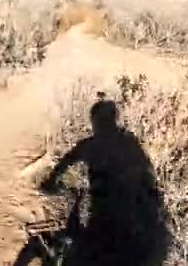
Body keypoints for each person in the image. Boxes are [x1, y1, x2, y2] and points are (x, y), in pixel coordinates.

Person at [39, 99, 171, 266]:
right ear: (114, 119)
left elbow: (64, 163)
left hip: (105, 221)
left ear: (94, 122)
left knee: (76, 252)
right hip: (140, 221)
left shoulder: (90, 145)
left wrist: (50, 184)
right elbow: (150, 174)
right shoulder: (130, 142)